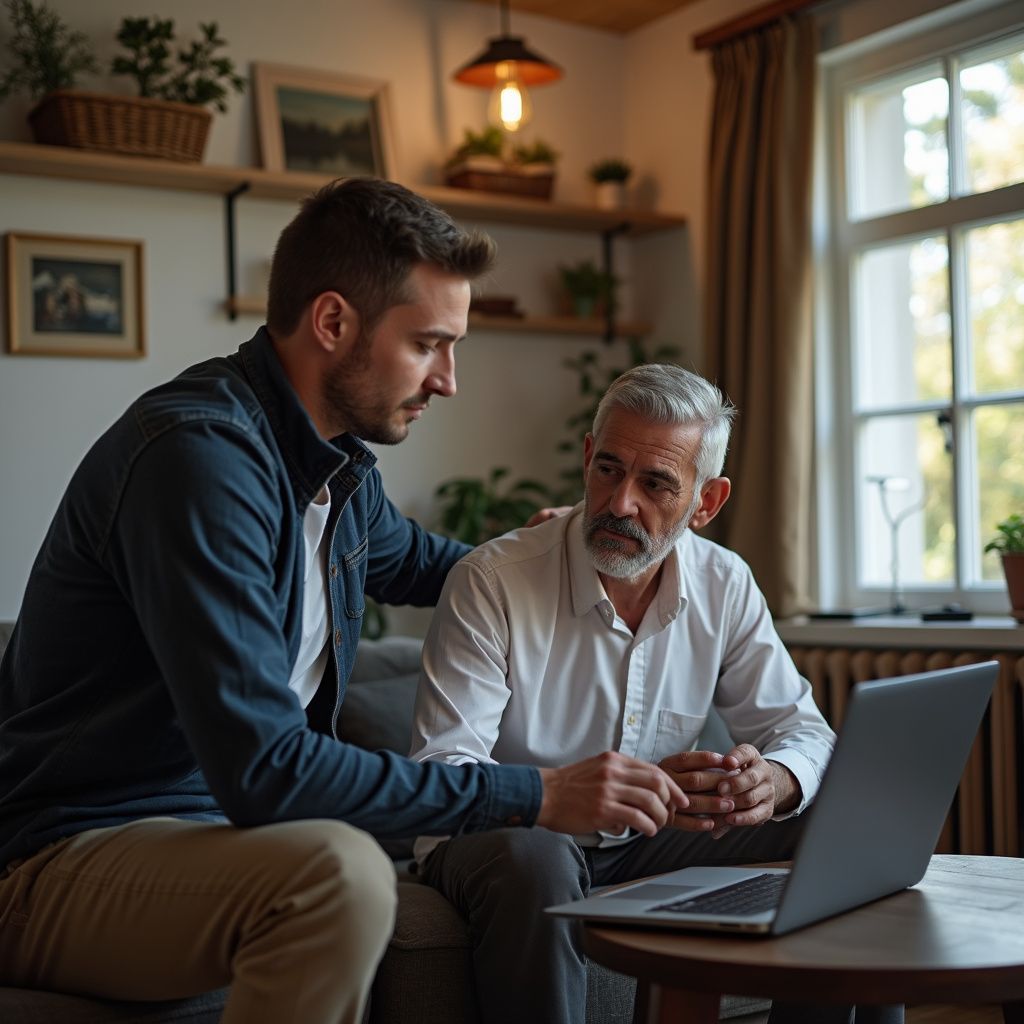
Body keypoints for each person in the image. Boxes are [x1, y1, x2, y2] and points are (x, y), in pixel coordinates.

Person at [0, 179, 688, 1024]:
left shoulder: (336, 471)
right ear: (333, 323)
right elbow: (264, 772)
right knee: (341, 873)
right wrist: (538, 793)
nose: (450, 381)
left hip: (220, 845)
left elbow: (439, 566)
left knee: (355, 860)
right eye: (430, 344)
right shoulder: (199, 460)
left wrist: (553, 556)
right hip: (66, 855)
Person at [410, 363, 903, 1024]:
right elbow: (442, 776)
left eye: (656, 483)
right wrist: (564, 796)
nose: (620, 504)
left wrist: (777, 782)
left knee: (845, 820)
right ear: (587, 457)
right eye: (609, 469)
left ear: (707, 502)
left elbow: (803, 731)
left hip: (646, 843)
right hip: (507, 842)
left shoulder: (724, 583)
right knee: (539, 857)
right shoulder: (492, 581)